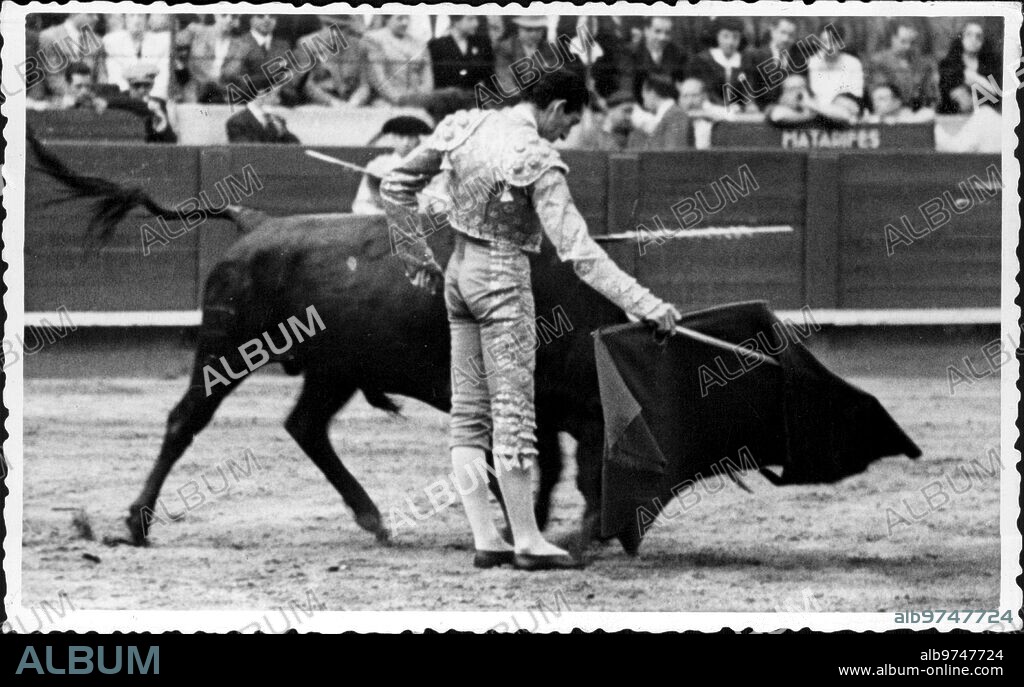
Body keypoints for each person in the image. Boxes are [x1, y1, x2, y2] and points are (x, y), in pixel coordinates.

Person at [380, 70, 681, 571]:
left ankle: (488, 538)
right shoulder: (537, 158)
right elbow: (580, 254)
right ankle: (526, 540)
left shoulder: (464, 127)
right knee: (514, 415)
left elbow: (395, 186)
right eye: (569, 121)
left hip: (457, 275)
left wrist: (420, 263)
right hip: (501, 283)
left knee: (469, 417)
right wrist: (647, 304)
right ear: (556, 107)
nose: (565, 133)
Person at [352, 116, 433, 215]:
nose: (406, 143)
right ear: (393, 139)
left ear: (418, 140)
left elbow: (430, 205)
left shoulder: (427, 166)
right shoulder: (378, 165)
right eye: (401, 137)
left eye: (411, 137)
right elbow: (361, 203)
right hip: (381, 219)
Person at [222, 14, 299, 107]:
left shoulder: (283, 45)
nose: (267, 20)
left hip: (276, 102)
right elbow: (229, 74)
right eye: (260, 16)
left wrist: (278, 90)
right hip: (245, 102)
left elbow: (291, 74)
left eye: (272, 16)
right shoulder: (238, 42)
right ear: (250, 20)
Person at [298, 15, 371, 107]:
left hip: (351, 103)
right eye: (331, 27)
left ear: (348, 28)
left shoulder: (359, 46)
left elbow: (364, 84)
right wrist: (331, 102)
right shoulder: (307, 44)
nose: (337, 32)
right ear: (323, 26)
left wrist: (356, 101)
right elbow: (306, 84)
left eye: (342, 28)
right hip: (319, 103)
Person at [686, 17, 757, 110]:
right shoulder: (703, 60)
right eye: (725, 36)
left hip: (737, 111)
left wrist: (750, 104)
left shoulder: (744, 61)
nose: (730, 42)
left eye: (735, 37)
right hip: (709, 109)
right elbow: (707, 91)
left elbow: (748, 90)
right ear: (717, 36)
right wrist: (725, 107)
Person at [867, 21, 939, 111]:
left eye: (912, 42)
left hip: (918, 113)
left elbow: (931, 94)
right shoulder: (878, 61)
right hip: (890, 112)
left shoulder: (922, 63)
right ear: (892, 39)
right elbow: (881, 93)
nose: (908, 47)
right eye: (903, 41)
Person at [364, 14, 434, 106]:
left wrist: (422, 99)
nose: (405, 22)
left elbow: (427, 78)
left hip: (418, 101)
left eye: (407, 18)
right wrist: (400, 101)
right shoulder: (374, 39)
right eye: (399, 18)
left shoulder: (419, 43)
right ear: (387, 19)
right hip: (387, 102)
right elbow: (379, 79)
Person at [492, 16, 563, 102]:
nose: (533, 34)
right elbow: (504, 77)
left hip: (542, 100)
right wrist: (522, 99)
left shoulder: (549, 49)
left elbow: (557, 77)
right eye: (528, 30)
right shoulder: (506, 47)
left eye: (538, 30)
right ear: (519, 29)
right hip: (513, 100)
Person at [38, 13, 105, 103]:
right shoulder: (49, 37)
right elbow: (53, 76)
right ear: (74, 14)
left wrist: (95, 97)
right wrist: (76, 97)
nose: (96, 18)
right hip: (58, 99)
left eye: (97, 15)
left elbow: (101, 75)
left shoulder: (97, 41)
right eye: (90, 14)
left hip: (92, 99)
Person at [103, 13, 171, 100]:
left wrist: (153, 100)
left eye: (140, 16)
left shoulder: (163, 41)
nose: (137, 21)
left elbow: (162, 78)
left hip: (155, 98)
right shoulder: (111, 41)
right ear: (124, 19)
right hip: (125, 100)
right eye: (132, 15)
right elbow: (116, 78)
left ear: (147, 19)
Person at [937, 22, 1001, 114]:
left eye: (978, 36)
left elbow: (996, 94)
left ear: (983, 42)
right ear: (961, 38)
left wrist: (974, 78)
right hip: (954, 117)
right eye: (969, 34)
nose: (973, 40)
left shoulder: (990, 64)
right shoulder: (948, 63)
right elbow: (946, 94)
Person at [105, 63, 178, 143]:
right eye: (137, 85)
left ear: (152, 85)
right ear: (129, 85)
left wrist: (161, 124)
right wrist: (145, 106)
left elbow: (171, 141)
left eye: (147, 85)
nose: (142, 90)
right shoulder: (120, 100)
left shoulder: (158, 103)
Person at [225, 68, 300, 143]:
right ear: (262, 94)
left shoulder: (278, 120)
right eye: (275, 95)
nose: (278, 100)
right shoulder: (237, 122)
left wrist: (282, 133)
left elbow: (296, 147)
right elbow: (246, 151)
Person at [428, 15, 494, 94]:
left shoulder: (482, 44)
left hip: (475, 102)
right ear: (456, 22)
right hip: (448, 101)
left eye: (476, 19)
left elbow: (489, 78)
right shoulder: (436, 46)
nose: (476, 23)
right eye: (470, 19)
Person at [181, 14, 239, 103]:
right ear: (216, 15)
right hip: (195, 91)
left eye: (233, 17)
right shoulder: (197, 31)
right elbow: (174, 47)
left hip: (223, 94)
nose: (229, 20)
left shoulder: (239, 44)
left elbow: (234, 74)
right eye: (224, 15)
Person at [745, 17, 801, 109]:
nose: (786, 39)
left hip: (788, 113)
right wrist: (750, 104)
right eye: (782, 32)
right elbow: (747, 84)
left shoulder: (798, 60)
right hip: (759, 111)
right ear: (772, 31)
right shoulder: (756, 56)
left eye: (791, 35)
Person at [627, 72, 691, 150]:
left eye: (644, 93)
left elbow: (674, 154)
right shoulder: (665, 117)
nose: (643, 99)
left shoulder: (677, 115)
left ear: (653, 93)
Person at [806, 24, 864, 109]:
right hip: (818, 109)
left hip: (844, 108)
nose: (828, 46)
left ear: (840, 43)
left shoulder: (853, 63)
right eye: (824, 41)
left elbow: (857, 93)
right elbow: (811, 93)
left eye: (832, 42)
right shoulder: (812, 62)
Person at [628, 16, 686, 101]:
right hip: (640, 104)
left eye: (667, 33)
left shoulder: (678, 54)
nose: (662, 37)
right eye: (657, 31)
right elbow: (628, 88)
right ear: (646, 31)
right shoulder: (630, 53)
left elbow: (682, 85)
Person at [863, 82, 934, 124]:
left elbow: (929, 114)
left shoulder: (914, 116)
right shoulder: (873, 120)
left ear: (897, 102)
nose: (876, 103)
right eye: (874, 100)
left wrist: (896, 121)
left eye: (882, 99)